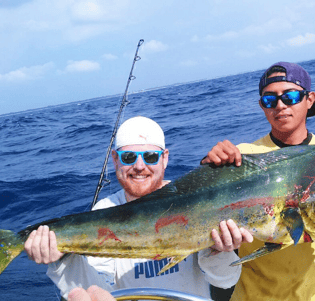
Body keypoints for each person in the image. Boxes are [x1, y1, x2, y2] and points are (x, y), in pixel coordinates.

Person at [24, 116, 252, 300]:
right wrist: (62, 261)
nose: (139, 166)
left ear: (165, 159)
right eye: (129, 156)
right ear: (115, 159)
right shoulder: (104, 210)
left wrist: (219, 251)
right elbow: (97, 290)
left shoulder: (193, 202)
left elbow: (224, 281)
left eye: (151, 156)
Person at [202, 61, 315, 301]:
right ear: (262, 106)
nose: (280, 106)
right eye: (269, 100)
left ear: (310, 99)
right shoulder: (242, 158)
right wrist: (210, 167)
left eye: (291, 96)